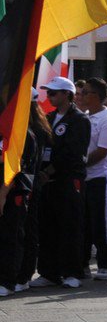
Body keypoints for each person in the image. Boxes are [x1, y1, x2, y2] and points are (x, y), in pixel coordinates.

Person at [33, 77, 90, 289]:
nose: (50, 96)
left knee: (70, 225)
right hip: (48, 181)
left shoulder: (79, 120)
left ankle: (72, 272)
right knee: (48, 226)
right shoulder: (48, 117)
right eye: (48, 93)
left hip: (68, 179)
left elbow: (73, 152)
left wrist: (50, 170)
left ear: (67, 94)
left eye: (54, 93)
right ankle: (49, 272)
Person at [0, 102, 49, 296]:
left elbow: (17, 168)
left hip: (15, 193)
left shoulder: (25, 135)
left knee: (11, 236)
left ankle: (8, 281)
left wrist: (3, 193)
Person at [76, 79, 107, 280]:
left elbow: (102, 151)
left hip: (100, 177)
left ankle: (105, 263)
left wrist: (80, 164)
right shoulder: (83, 117)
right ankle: (82, 263)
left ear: (96, 96)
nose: (81, 96)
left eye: (85, 93)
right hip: (84, 178)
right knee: (82, 221)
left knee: (101, 222)